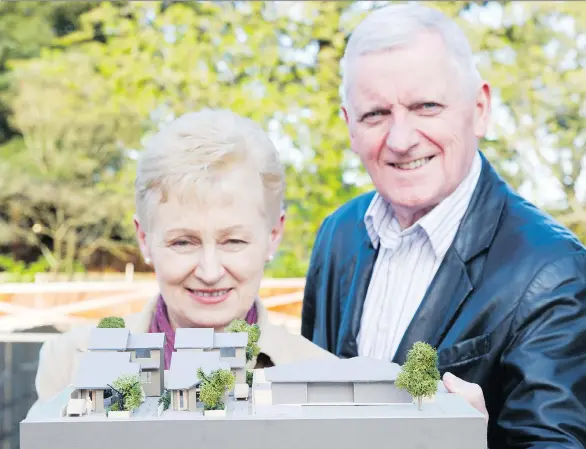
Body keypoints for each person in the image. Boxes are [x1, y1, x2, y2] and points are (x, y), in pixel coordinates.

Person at [301, 4, 586, 448]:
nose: (400, 139)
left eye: (426, 106)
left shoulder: (553, 270)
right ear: (349, 127)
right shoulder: (336, 234)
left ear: (479, 109)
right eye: (375, 114)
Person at [32, 108, 337, 408]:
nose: (209, 271)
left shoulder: (327, 381)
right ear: (144, 239)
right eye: (182, 242)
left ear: (273, 235)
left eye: (233, 241)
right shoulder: (69, 363)